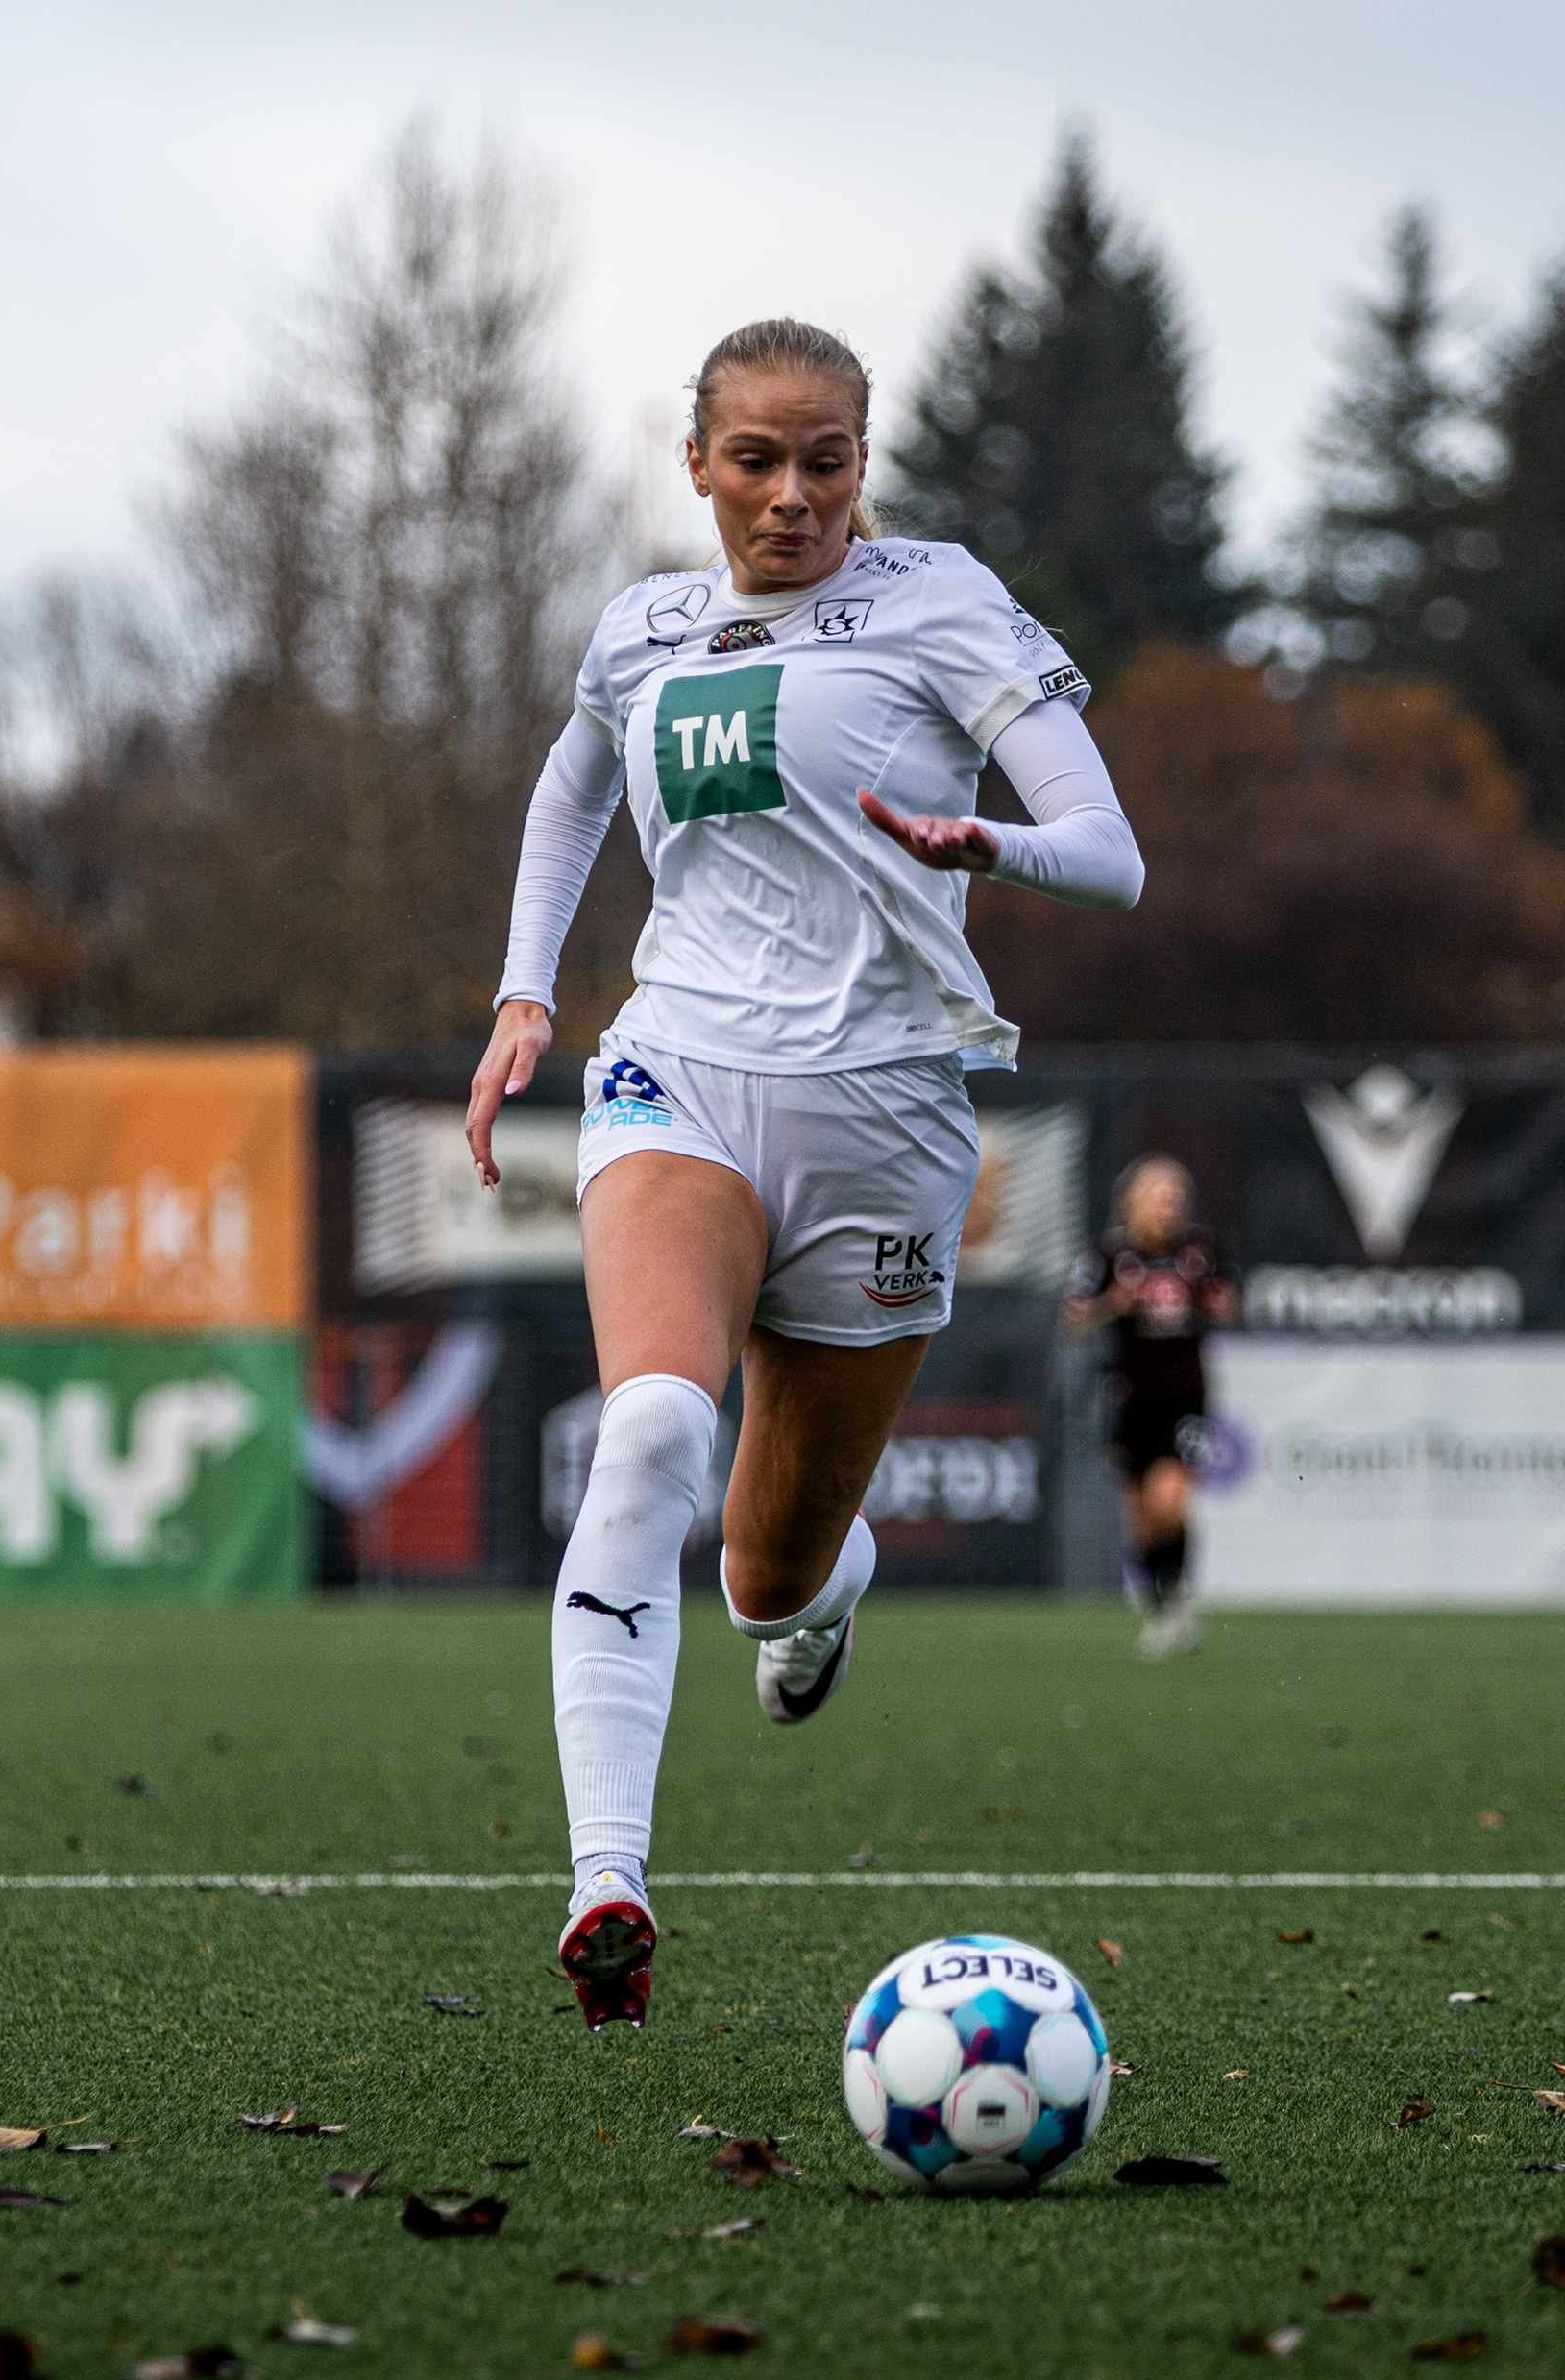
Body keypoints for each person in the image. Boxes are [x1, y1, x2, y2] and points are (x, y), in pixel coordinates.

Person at [466, 318, 1144, 2029]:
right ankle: (607, 1882)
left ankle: (828, 1590)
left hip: (889, 1114)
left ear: (863, 462)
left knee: (764, 1570)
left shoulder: (943, 599)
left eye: (825, 461)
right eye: (755, 460)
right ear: (696, 461)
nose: (791, 496)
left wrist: (988, 843)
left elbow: (1112, 854)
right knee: (650, 1428)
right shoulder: (640, 627)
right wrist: (527, 991)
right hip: (677, 1074)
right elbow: (569, 795)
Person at [1066, 1154, 1237, 1659]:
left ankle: (1178, 1599)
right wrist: (1111, 1305)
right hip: (1126, 1399)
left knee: (1169, 1503)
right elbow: (1074, 1318)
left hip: (1183, 1399)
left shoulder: (1200, 1251)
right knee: (1140, 1518)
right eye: (1158, 1199)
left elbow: (1229, 1303)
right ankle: (1162, 1607)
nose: (1167, 1209)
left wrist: (1217, 1304)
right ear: (1133, 1203)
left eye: (1174, 1199)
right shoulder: (1108, 1254)